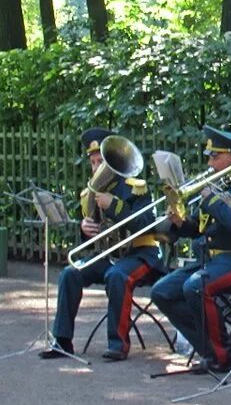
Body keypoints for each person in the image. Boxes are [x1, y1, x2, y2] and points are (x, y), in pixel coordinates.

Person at [150, 126, 231, 373]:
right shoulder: (220, 187)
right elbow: (200, 229)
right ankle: (208, 349)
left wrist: (210, 198)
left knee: (197, 286)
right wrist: (180, 223)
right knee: (162, 291)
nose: (209, 162)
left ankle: (224, 355)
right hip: (217, 261)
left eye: (214, 156)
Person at [40, 129, 162, 361]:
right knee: (70, 273)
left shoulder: (136, 187)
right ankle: (62, 341)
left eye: (101, 162)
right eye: (93, 162)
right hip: (109, 255)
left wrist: (115, 206)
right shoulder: (90, 193)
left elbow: (146, 225)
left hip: (140, 254)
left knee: (117, 276)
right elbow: (94, 238)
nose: (97, 167)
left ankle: (118, 344)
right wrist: (84, 229)